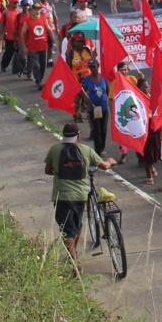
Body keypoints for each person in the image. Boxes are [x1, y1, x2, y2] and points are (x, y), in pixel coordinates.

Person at [43, 123, 116, 259]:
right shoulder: (86, 150)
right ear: (78, 135)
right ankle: (73, 253)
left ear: (64, 136)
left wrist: (60, 172)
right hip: (81, 195)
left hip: (62, 195)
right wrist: (111, 162)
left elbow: (47, 170)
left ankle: (73, 259)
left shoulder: (55, 149)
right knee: (77, 224)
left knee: (66, 229)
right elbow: (104, 166)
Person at [80, 59, 110, 155]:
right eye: (91, 67)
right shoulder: (87, 80)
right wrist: (86, 100)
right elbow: (82, 91)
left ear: (98, 66)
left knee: (103, 129)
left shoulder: (104, 78)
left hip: (104, 108)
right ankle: (98, 150)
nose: (93, 69)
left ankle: (102, 148)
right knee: (96, 130)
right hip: (93, 109)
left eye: (94, 66)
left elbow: (108, 91)